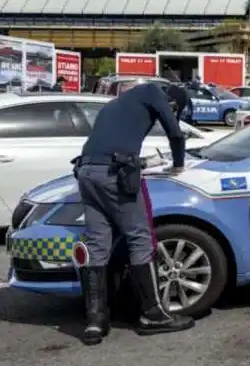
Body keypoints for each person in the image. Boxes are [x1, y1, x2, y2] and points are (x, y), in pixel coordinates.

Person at [73, 82, 195, 345]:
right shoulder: (152, 92)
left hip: (86, 172)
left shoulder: (116, 103)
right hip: (115, 177)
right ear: (172, 102)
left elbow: (110, 141)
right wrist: (178, 165)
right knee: (140, 238)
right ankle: (153, 315)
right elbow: (175, 133)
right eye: (174, 109)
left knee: (97, 244)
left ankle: (95, 322)